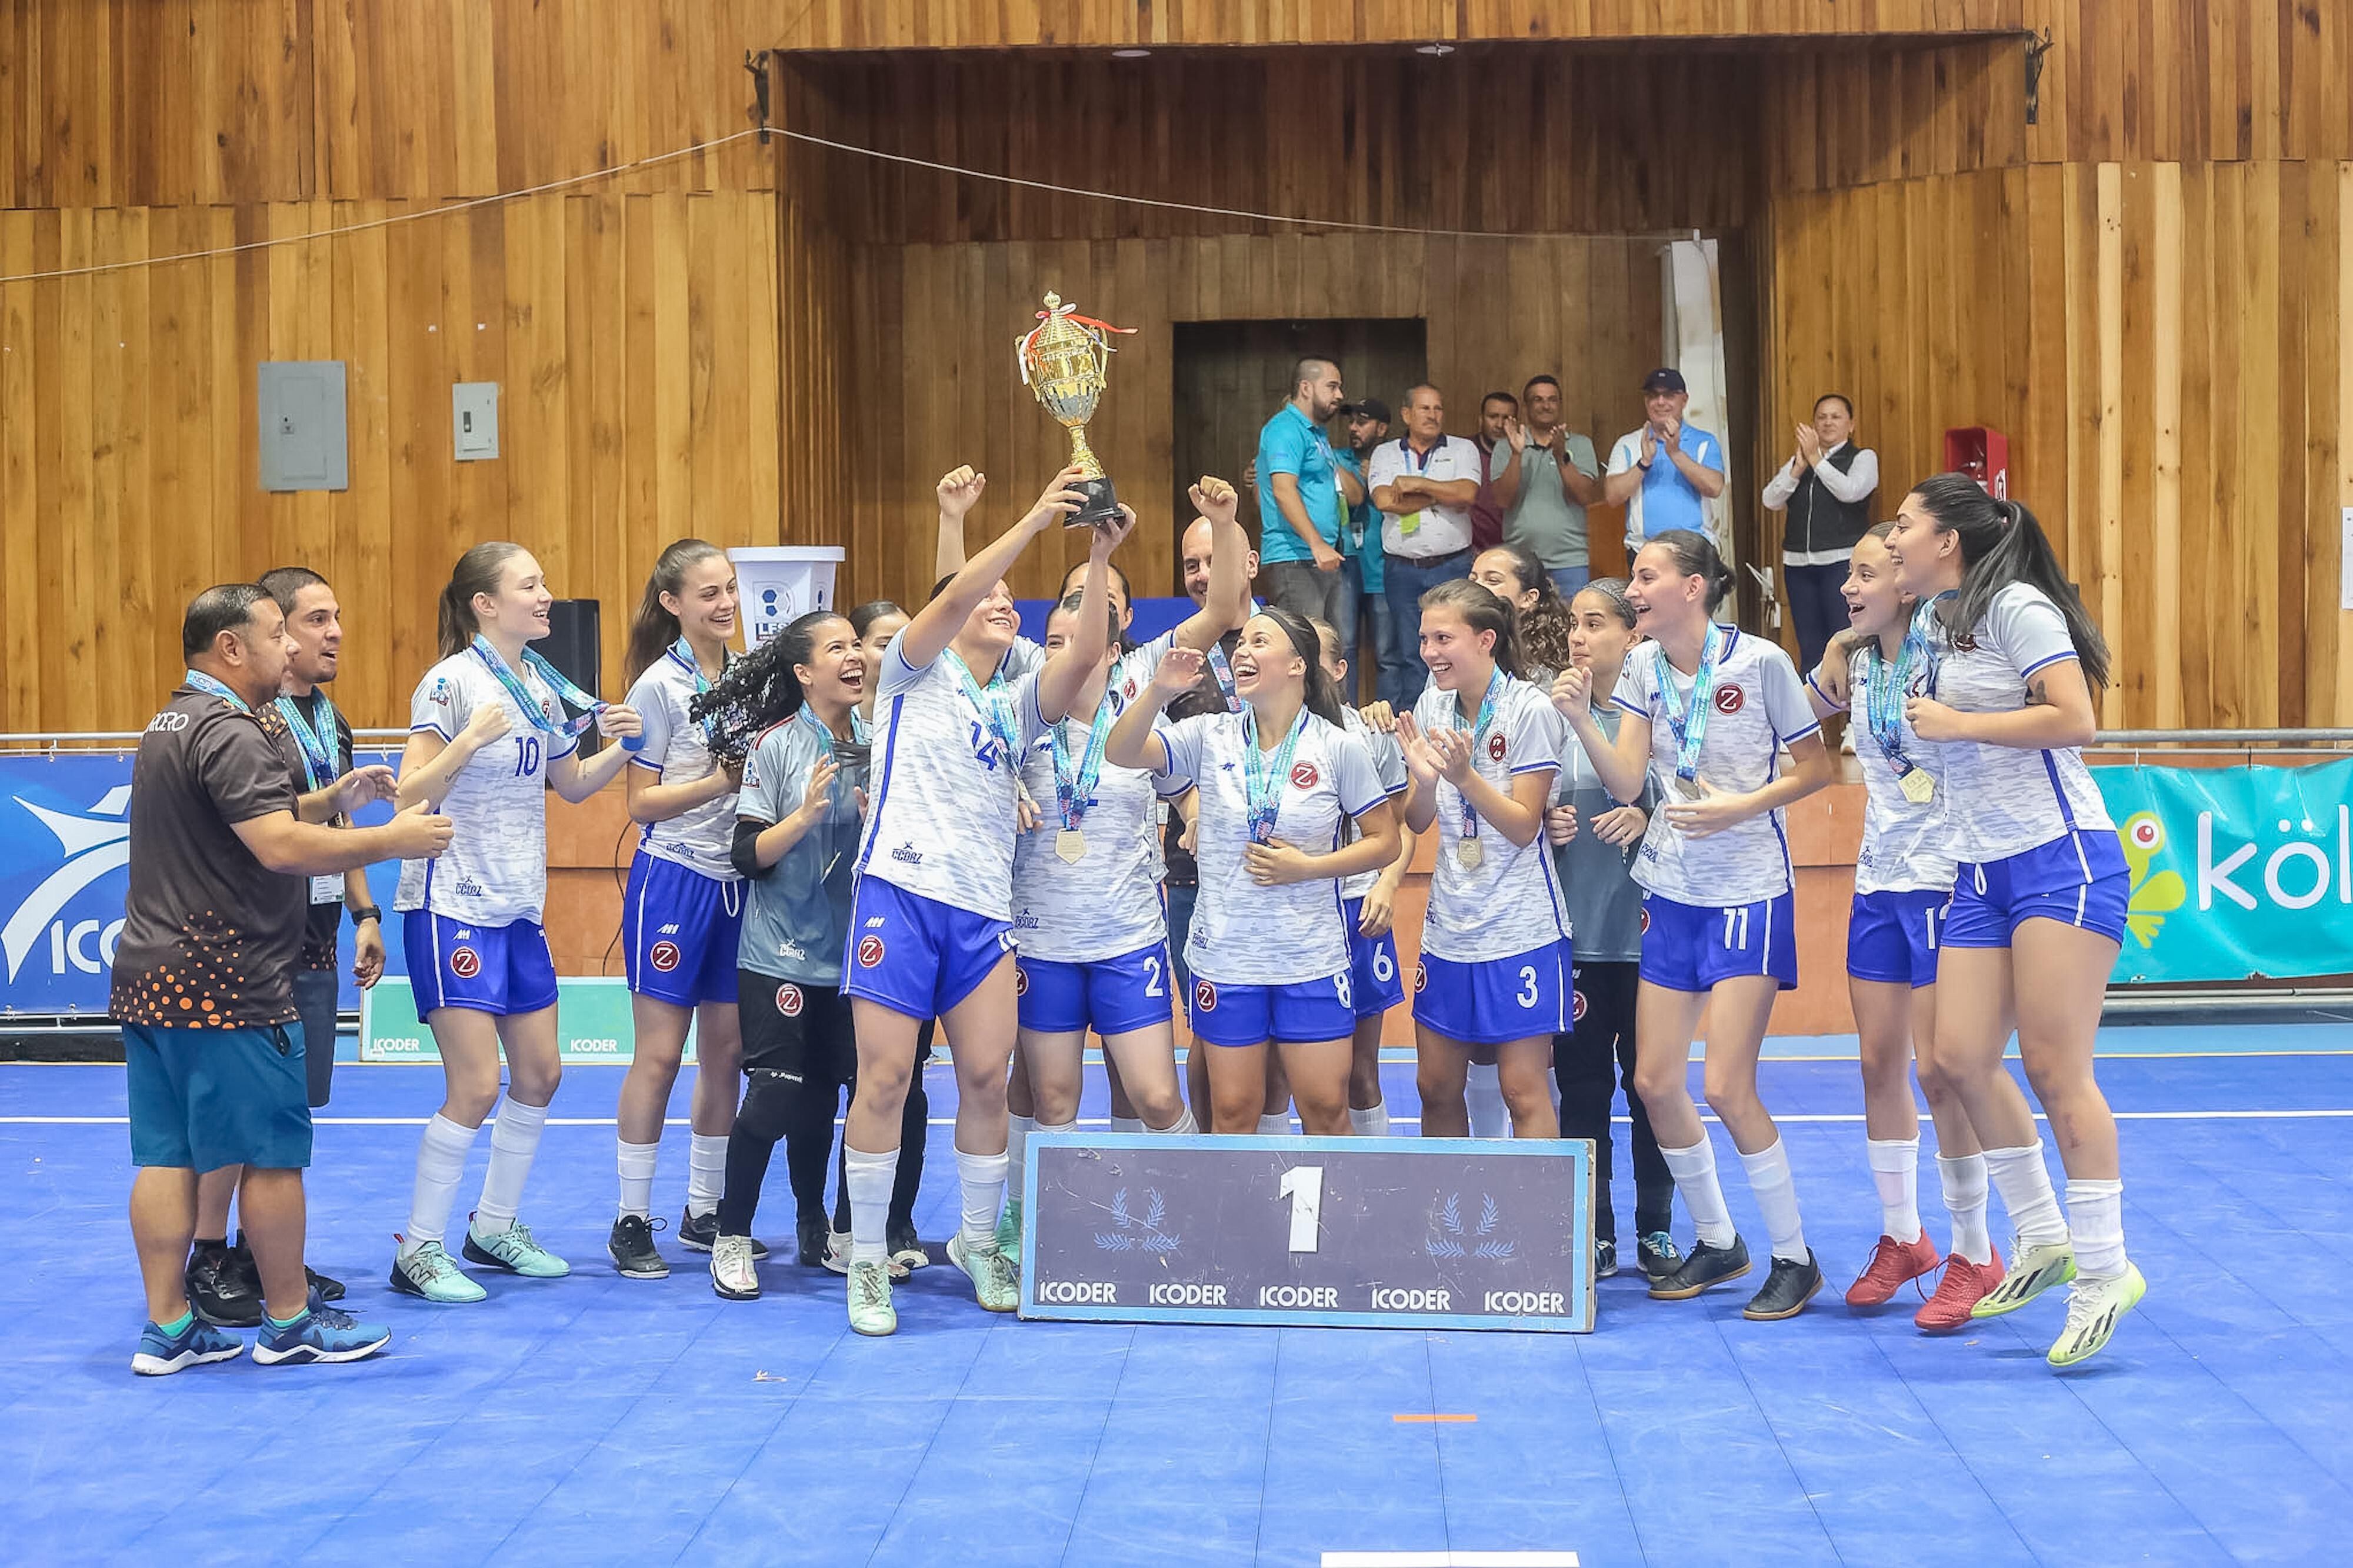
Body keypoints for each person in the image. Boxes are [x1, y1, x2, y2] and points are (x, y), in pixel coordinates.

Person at [116, 583, 451, 1373]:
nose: (293, 648)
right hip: (227, 979)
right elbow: (277, 846)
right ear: (232, 648)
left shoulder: (173, 722)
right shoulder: (233, 732)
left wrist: (331, 799)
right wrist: (390, 839)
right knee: (272, 1154)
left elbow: (247, 817)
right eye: (277, 634)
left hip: (149, 974)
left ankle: (169, 1326)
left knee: (167, 1155)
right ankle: (291, 1319)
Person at [1871, 475, 2140, 1367]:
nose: (1894, 539)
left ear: (1948, 540)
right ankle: (2043, 1235)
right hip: (1976, 865)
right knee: (1955, 1059)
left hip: (2060, 859)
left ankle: (2105, 1269)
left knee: (2057, 1068)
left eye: (1904, 526)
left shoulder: (2018, 605)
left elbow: (2078, 719)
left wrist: (1961, 722)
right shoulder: (1939, 624)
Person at [1551, 529, 1834, 1320]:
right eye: (1633, 576)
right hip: (1669, 887)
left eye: (1646, 576)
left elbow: (1818, 767)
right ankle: (1718, 1237)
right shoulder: (1642, 665)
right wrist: (1580, 720)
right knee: (1654, 1079)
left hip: (1748, 890)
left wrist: (1738, 807)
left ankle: (1795, 1255)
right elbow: (1630, 778)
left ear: (1694, 588)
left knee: (1726, 1085)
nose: (1633, 588)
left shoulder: (1763, 663)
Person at [838, 465, 1091, 1336]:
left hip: (983, 910)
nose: (1003, 601)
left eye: (1014, 599)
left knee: (988, 1076)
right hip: (900, 894)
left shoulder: (1014, 700)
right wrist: (1029, 515)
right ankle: (866, 1259)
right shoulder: (912, 669)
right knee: (886, 1076)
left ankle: (979, 1242)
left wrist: (1096, 550)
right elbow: (959, 590)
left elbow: (1084, 656)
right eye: (991, 595)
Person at [388, 542, 645, 1303]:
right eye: (528, 585)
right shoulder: (451, 682)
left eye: (543, 583)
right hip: (450, 903)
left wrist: (625, 745)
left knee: (541, 1074)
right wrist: (468, 740)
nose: (546, 596)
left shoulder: (539, 684)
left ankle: (494, 1224)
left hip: (516, 908)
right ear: (485, 604)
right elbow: (409, 793)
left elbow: (570, 783)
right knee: (474, 1085)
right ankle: (420, 1247)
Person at [1802, 525, 2009, 1329]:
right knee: (1878, 1061)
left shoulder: (1944, 646)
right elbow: (1799, 718)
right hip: (1877, 879)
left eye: (1866, 573)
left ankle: (1973, 1250)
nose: (1849, 587)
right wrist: (1826, 659)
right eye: (1846, 573)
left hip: (1945, 874)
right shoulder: (1852, 659)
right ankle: (1903, 1236)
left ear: (1909, 579)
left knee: (1940, 1070)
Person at [1106, 608, 1401, 1135]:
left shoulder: (1337, 747)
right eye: (1240, 643)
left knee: (1326, 1110)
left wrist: (1308, 868)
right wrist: (1155, 692)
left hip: (1310, 959)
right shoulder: (1207, 735)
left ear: (1297, 665)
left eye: (1258, 641)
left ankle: (1337, 1220)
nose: (1242, 651)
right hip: (1227, 961)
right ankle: (1240, 1220)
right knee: (1234, 1113)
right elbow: (1121, 750)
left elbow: (1386, 842)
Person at [182, 565, 383, 1325]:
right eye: (314, 620)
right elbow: (270, 824)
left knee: (288, 1106)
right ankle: (208, 1255)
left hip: (319, 931)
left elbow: (338, 827)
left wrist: (364, 910)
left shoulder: (329, 719)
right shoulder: (248, 722)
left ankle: (258, 1250)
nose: (334, 633)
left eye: (337, 617)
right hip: (256, 934)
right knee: (243, 1105)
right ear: (274, 634)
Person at [699, 609, 869, 1299]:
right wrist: (802, 814)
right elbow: (746, 855)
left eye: (857, 645)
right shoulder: (776, 747)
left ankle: (821, 1225)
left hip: (858, 956)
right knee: (775, 1095)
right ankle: (731, 1235)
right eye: (838, 648)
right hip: (779, 955)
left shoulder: (880, 740)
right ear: (804, 672)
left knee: (836, 1099)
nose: (855, 656)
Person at [608, 541, 751, 1280]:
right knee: (661, 1054)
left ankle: (705, 1208)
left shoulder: (752, 675)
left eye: (729, 589)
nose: (724, 604)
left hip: (738, 882)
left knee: (726, 1052)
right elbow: (641, 803)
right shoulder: (658, 688)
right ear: (672, 604)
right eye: (707, 594)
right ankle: (632, 1217)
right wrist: (719, 782)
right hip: (672, 881)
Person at [1395, 580, 1569, 1143]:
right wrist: (1423, 785)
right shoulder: (1432, 704)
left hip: (1521, 928)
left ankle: (1539, 1227)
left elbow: (1524, 826)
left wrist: (1464, 777)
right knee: (1435, 1086)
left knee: (1523, 1090)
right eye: (1424, 639)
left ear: (1486, 640)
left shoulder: (1530, 709)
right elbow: (1419, 821)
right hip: (1450, 929)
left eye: (1444, 638)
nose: (1429, 652)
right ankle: (1449, 1225)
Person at [1548, 579, 1678, 1280]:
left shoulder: (1660, 710)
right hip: (1578, 937)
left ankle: (1655, 1231)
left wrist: (1651, 817)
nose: (1577, 636)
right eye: (1572, 624)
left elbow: (1704, 800)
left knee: (1651, 1089)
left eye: (1594, 623)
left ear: (1633, 636)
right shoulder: (1551, 714)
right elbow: (1515, 812)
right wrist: (1546, 826)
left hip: (1652, 936)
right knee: (1584, 1088)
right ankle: (1594, 1232)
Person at [1310, 617, 1414, 1136]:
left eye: (1315, 658)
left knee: (1360, 1073)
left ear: (1340, 669)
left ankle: (1374, 1195)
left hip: (1357, 909)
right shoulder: (1258, 730)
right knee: (1288, 1076)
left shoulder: (1371, 733)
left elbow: (1400, 830)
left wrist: (1387, 884)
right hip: (1292, 914)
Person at [1367, 385, 1484, 708]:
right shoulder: (1386, 453)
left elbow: (1467, 495)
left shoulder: (1463, 449)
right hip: (1404, 571)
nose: (1433, 416)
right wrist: (1442, 495)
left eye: (1438, 409)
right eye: (1425, 409)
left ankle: (1459, 714)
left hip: (1453, 566)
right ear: (1406, 414)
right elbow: (1385, 501)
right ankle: (1415, 725)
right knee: (1411, 653)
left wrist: (1417, 485)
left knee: (1458, 647)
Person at [1762, 393, 1879, 678]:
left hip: (1841, 563)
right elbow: (1770, 499)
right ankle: (1814, 721)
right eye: (1821, 417)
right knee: (1811, 648)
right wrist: (1799, 468)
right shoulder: (1801, 460)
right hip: (1798, 565)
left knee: (1848, 642)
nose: (1827, 423)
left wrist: (1816, 459)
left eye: (1836, 417)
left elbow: (1852, 491)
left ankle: (1853, 720)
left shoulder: (1863, 457)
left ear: (1851, 425)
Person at [1255, 356, 1362, 630]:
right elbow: (1282, 490)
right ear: (1306, 388)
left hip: (1323, 557)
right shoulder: (1285, 429)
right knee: (1303, 650)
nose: (1340, 395)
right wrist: (1317, 544)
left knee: (1329, 651)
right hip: (1296, 558)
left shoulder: (1317, 435)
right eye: (1332, 386)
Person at [1492, 375, 1605, 602]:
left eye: (1552, 400)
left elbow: (1585, 496)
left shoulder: (1580, 444)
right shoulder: (1506, 446)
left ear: (1560, 405)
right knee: (1521, 632)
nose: (1546, 405)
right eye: (1538, 400)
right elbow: (1503, 500)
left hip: (1571, 562)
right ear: (1526, 406)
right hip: (1521, 562)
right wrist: (1517, 454)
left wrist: (1561, 455)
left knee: (1574, 631)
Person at [1605, 369, 1727, 552]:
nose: (1660, 402)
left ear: (1684, 400)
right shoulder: (1628, 444)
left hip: (1695, 551)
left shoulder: (1704, 441)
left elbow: (1715, 488)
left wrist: (1676, 454)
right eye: (1654, 396)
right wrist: (1644, 463)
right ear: (1646, 401)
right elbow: (1613, 497)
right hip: (1643, 551)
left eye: (1669, 395)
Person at [1333, 398, 1393, 696]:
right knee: (1344, 647)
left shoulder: (1395, 460)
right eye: (1351, 421)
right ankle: (1347, 720)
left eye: (1362, 422)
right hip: (1344, 560)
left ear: (1382, 428)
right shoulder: (1334, 457)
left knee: (1388, 653)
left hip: (1385, 565)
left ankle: (1395, 723)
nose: (1353, 428)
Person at [1469, 391, 1517, 555]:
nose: (1499, 424)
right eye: (1493, 417)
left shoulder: (1524, 454)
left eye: (1506, 418)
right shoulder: (1465, 451)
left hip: (1515, 550)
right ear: (1481, 420)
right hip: (1471, 552)